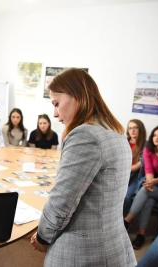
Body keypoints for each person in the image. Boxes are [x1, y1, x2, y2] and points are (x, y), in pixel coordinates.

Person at [29, 68, 136, 266]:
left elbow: (61, 202)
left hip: (85, 252)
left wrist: (43, 237)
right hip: (112, 242)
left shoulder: (85, 135)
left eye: (56, 103)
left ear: (76, 96)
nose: (55, 113)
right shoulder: (113, 129)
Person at [123, 119, 147, 216]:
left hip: (135, 176)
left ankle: (124, 221)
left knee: (127, 196)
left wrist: (123, 168)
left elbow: (139, 166)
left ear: (140, 129)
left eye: (135, 128)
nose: (132, 130)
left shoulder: (146, 145)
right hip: (121, 174)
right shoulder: (123, 142)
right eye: (130, 128)